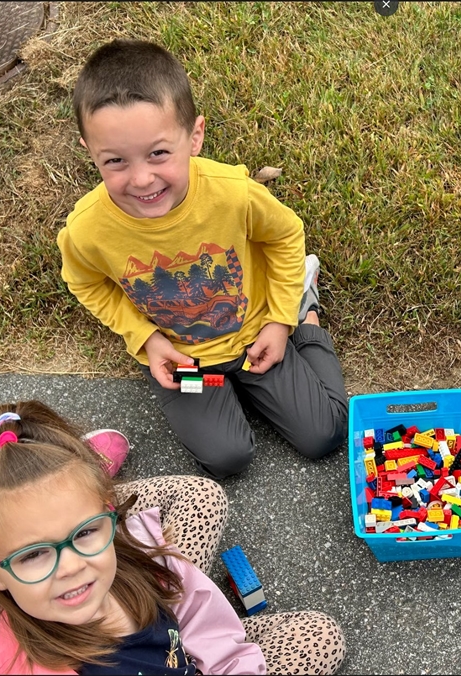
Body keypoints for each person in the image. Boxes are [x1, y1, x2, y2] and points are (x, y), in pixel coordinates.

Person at [57, 39, 348, 479]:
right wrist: (146, 339)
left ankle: (308, 316)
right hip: (184, 358)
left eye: (158, 153)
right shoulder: (86, 231)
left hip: (255, 337)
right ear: (89, 149)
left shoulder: (232, 193)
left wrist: (281, 320)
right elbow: (86, 283)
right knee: (227, 458)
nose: (141, 179)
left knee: (323, 434)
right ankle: (232, 387)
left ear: (194, 136)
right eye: (115, 161)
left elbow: (287, 234)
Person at [0, 400, 347, 675]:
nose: (73, 566)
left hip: (163, 612)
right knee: (321, 640)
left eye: (86, 531)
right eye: (33, 555)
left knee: (201, 497)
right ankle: (79, 491)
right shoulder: (23, 665)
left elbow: (200, 615)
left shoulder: (138, 557)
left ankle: (84, 480)